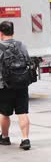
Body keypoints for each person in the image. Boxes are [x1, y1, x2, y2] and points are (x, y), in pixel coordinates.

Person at [0, 21, 31, 150]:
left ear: (1, 33)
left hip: (5, 85)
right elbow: (28, 60)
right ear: (13, 32)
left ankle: (5, 137)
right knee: (22, 112)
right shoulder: (22, 45)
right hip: (22, 83)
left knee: (4, 113)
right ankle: (25, 139)